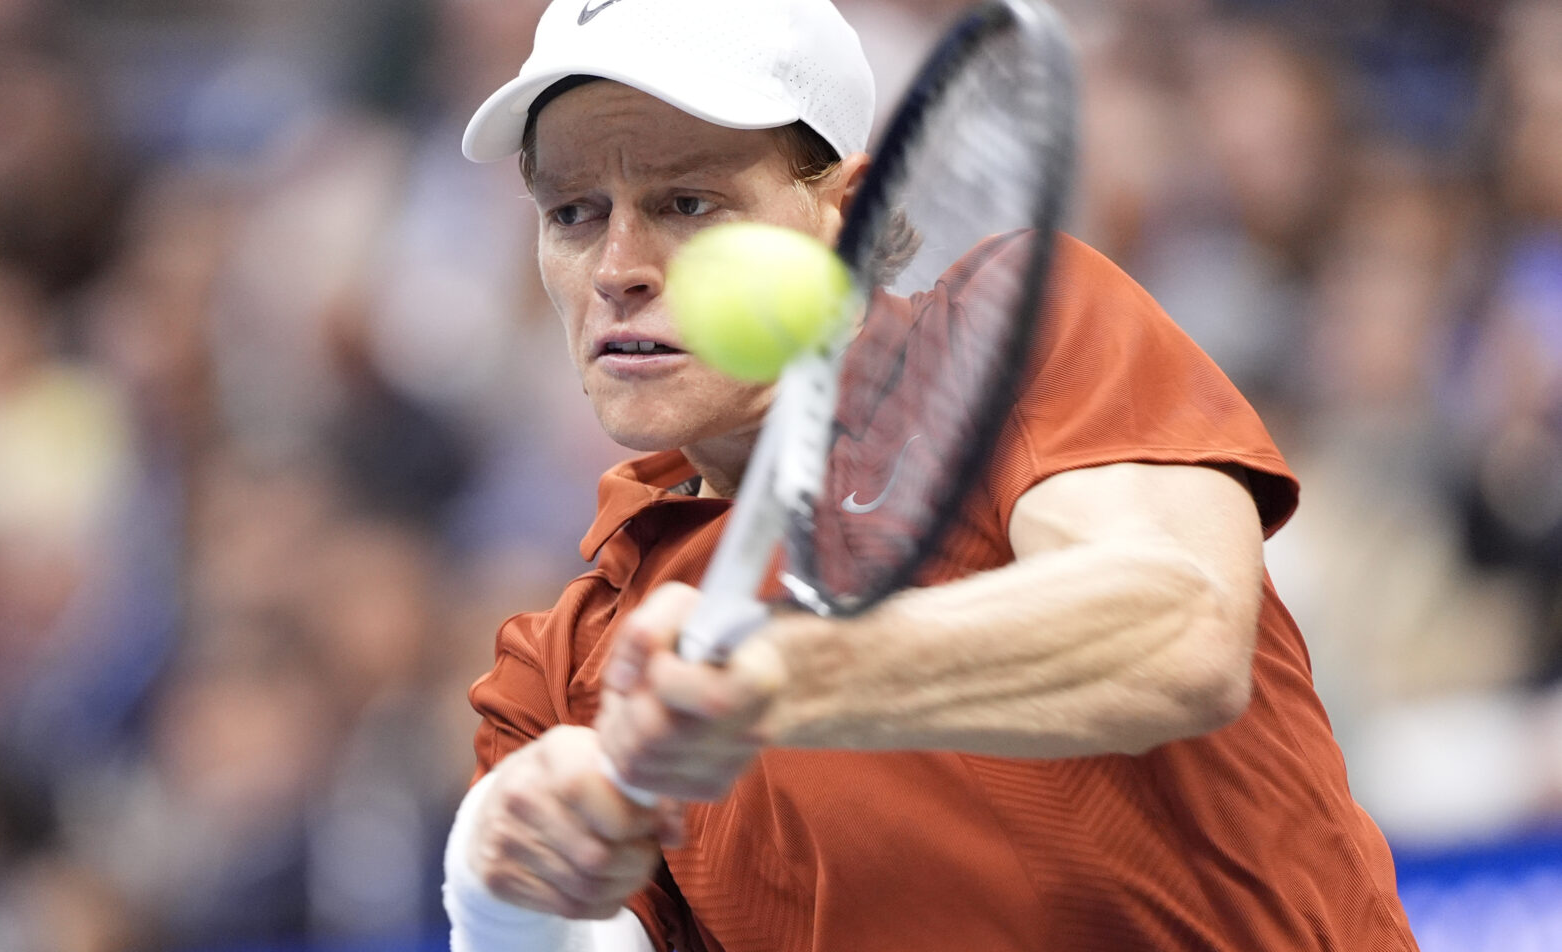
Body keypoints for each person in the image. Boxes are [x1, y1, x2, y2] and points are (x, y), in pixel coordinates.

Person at [441, 1, 1421, 950]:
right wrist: (504, 894)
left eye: (686, 202)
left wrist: (790, 673)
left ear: (849, 220)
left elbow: (1182, 627)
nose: (617, 266)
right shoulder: (561, 666)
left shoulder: (1012, 334)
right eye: (571, 211)